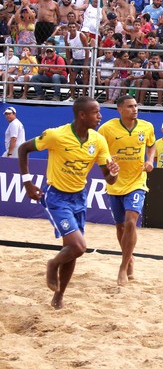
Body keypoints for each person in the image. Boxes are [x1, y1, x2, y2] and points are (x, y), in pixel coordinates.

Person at [18, 97, 119, 309]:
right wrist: (27, 182)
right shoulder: (56, 135)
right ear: (82, 115)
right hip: (57, 197)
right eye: (96, 112)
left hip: (79, 197)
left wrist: (113, 174)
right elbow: (23, 149)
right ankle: (52, 264)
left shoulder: (98, 140)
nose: (100, 116)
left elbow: (108, 178)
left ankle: (59, 296)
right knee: (79, 246)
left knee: (72, 251)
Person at [98, 95, 155, 286]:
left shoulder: (146, 126)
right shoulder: (107, 128)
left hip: (137, 181)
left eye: (136, 105)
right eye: (130, 106)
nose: (134, 109)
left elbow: (151, 144)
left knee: (131, 222)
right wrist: (107, 161)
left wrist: (149, 160)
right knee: (120, 226)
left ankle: (123, 267)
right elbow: (99, 150)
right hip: (115, 183)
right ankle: (129, 257)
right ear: (120, 109)